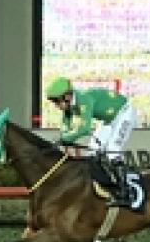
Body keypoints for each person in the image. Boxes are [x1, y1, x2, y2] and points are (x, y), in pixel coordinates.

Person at [45, 76, 138, 207]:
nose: (55, 105)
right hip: (109, 119)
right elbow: (65, 125)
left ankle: (125, 193)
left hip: (124, 114)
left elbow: (84, 128)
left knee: (113, 149)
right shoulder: (70, 104)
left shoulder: (83, 99)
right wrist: (64, 137)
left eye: (56, 101)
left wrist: (66, 138)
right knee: (92, 151)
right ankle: (106, 186)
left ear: (67, 96)